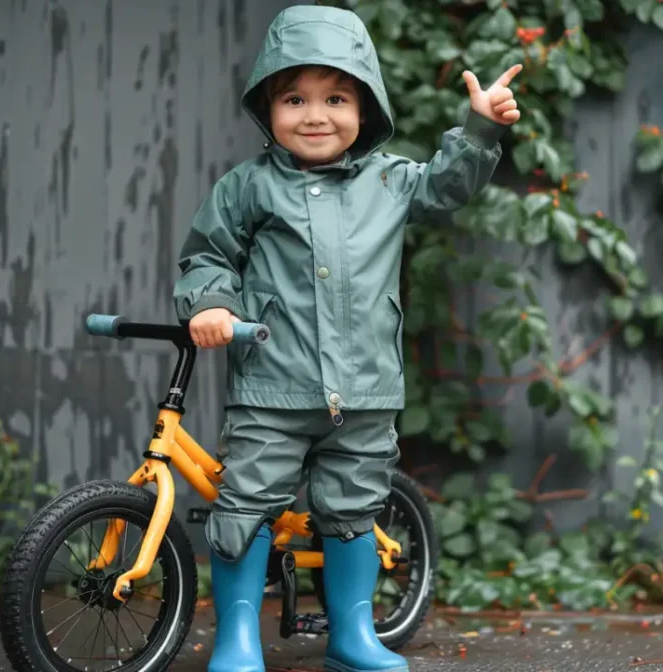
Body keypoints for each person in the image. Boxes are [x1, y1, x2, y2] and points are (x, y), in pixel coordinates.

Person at [173, 4, 522, 671]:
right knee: (245, 505)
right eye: (294, 99)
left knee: (355, 509)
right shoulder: (247, 187)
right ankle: (238, 638)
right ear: (267, 107)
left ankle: (354, 634)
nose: (315, 115)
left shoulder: (391, 181)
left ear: (366, 107)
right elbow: (208, 256)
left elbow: (448, 186)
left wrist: (480, 127)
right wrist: (211, 303)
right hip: (272, 387)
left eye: (336, 98)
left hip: (364, 391)